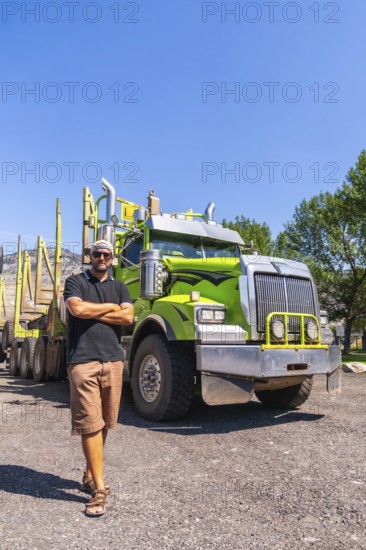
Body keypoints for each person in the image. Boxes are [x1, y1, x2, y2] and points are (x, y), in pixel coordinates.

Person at [63, 239, 134, 517]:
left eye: (106, 254)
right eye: (97, 253)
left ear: (112, 258)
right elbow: (77, 310)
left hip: (113, 360)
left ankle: (90, 473)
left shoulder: (120, 286)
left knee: (104, 421)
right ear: (89, 256)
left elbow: (128, 317)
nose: (101, 257)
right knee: (90, 422)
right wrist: (111, 309)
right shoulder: (75, 281)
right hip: (83, 360)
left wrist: (97, 309)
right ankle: (100, 489)